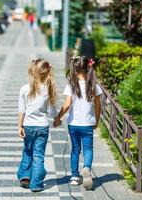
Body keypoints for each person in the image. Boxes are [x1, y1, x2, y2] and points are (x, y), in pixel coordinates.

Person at [53, 56, 102, 189]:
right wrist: (96, 121)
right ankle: (86, 168)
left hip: (73, 124)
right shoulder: (94, 85)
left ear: (74, 69)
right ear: (88, 67)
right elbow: (98, 106)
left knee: (75, 149)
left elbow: (67, 105)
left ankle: (74, 177)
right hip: (87, 124)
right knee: (88, 149)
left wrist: (58, 117)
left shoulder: (72, 85)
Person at [17, 58, 58, 192]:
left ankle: (24, 177)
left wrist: (20, 126)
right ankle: (36, 184)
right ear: (47, 72)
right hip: (42, 127)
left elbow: (21, 110)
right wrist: (57, 120)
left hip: (28, 126)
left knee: (28, 151)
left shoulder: (24, 89)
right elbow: (52, 110)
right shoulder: (48, 89)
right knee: (38, 155)